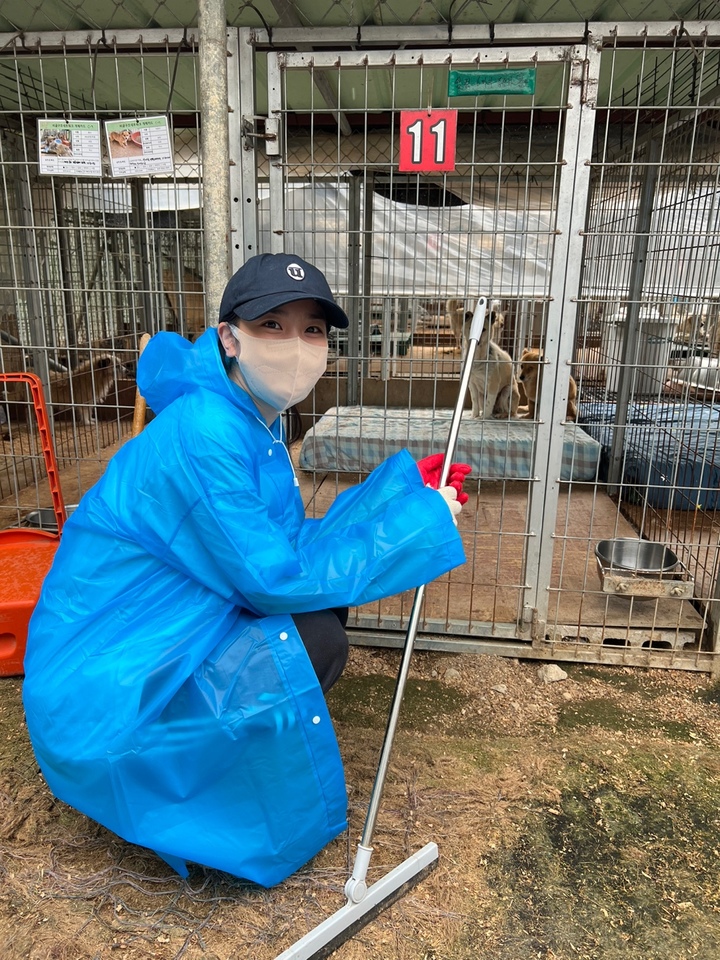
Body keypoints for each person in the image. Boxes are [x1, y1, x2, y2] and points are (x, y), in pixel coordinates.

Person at [22, 253, 470, 888]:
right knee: (313, 637)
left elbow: (283, 546)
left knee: (317, 615)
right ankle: (196, 800)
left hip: (164, 628)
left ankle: (236, 765)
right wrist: (418, 523)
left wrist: (400, 496)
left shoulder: (247, 417)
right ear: (230, 338)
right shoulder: (207, 431)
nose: (297, 347)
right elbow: (274, 580)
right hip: (108, 688)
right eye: (273, 326)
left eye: (313, 330)